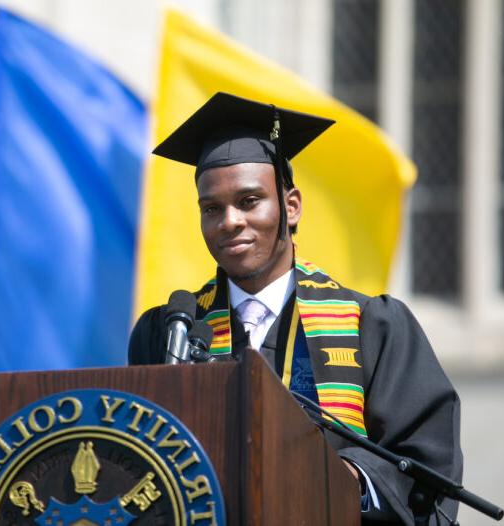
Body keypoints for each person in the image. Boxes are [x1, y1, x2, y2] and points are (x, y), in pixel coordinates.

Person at [128, 92, 463, 525]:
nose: (229, 221)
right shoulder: (170, 332)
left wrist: (346, 479)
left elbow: (426, 468)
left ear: (290, 206)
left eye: (249, 201)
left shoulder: (372, 328)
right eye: (212, 208)